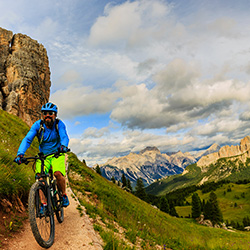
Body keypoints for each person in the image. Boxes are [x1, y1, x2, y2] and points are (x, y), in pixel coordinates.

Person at [14, 102, 70, 212]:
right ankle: (43, 204)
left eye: (50, 113)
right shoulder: (37, 125)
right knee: (39, 177)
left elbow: (64, 136)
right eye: (45, 113)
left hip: (57, 154)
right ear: (42, 115)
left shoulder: (59, 124)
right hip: (43, 156)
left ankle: (63, 195)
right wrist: (20, 154)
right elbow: (28, 139)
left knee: (58, 173)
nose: (48, 115)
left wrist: (63, 146)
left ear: (55, 115)